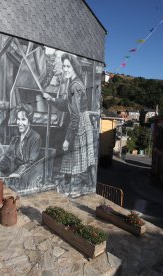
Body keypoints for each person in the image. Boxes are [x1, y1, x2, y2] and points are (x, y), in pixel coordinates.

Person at [43, 53, 96, 188]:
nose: (65, 69)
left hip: (81, 125)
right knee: (85, 160)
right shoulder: (73, 83)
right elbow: (68, 105)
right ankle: (85, 186)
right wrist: (52, 99)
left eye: (68, 66)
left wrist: (67, 138)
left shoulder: (74, 86)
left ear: (74, 67)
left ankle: (77, 187)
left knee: (79, 159)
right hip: (80, 122)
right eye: (64, 66)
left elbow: (75, 114)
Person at [0, 104, 41, 178]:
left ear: (29, 121)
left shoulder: (35, 137)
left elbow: (31, 163)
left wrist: (18, 173)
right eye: (18, 119)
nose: (20, 123)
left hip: (28, 176)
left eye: (23, 119)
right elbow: (7, 158)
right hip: (14, 175)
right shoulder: (16, 138)